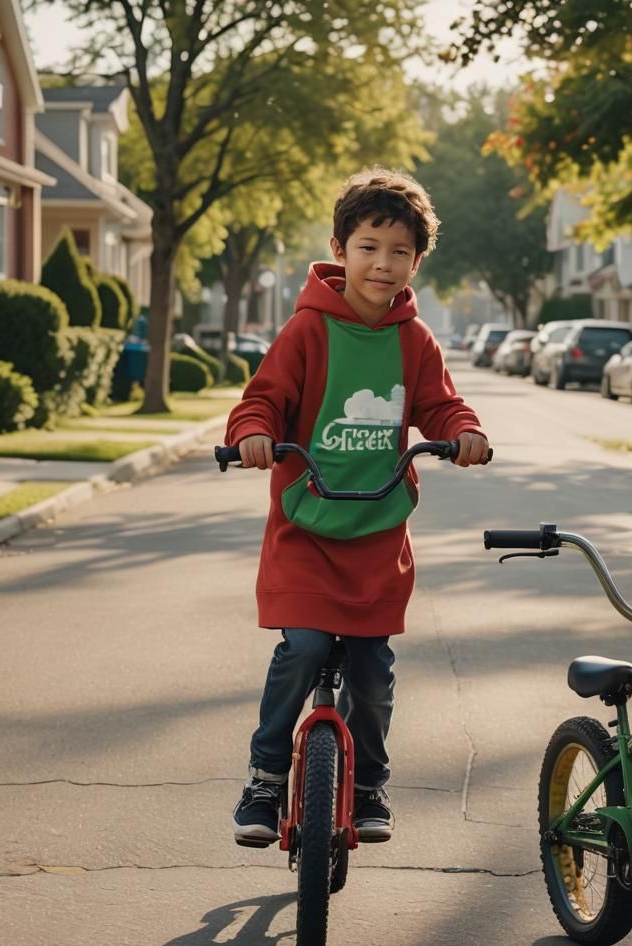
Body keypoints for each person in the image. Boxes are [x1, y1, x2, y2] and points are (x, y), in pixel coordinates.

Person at [225, 167, 489, 847]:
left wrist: (462, 430)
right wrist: (253, 434)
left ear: (416, 262)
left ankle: (368, 782)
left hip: (376, 528)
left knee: (372, 669)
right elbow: (264, 398)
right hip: (305, 523)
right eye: (369, 246)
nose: (383, 263)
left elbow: (437, 401)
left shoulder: (412, 338)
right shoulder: (307, 331)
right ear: (340, 248)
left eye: (399, 252)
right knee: (304, 646)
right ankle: (262, 779)